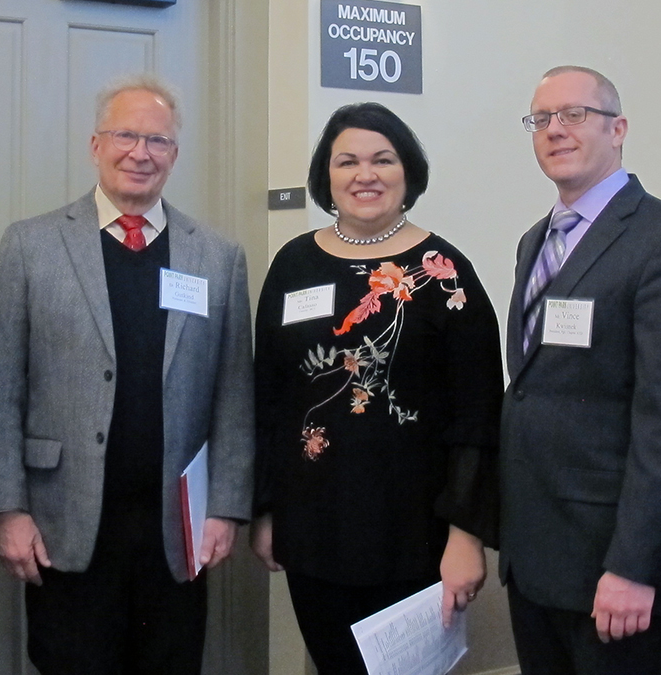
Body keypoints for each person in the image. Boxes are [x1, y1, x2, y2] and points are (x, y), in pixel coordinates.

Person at [0, 76, 254, 675]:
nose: (141, 152)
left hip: (177, 531)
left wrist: (226, 508)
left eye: (158, 140)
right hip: (63, 522)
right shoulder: (30, 246)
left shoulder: (218, 258)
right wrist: (7, 510)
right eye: (126, 135)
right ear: (95, 144)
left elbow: (234, 395)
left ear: (174, 155)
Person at [250, 102, 503, 674]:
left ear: (407, 171)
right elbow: (267, 396)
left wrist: (466, 535)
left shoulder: (445, 271)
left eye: (382, 159)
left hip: (417, 536)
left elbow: (479, 411)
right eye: (348, 161)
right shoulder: (292, 265)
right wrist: (265, 510)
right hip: (313, 527)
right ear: (327, 176)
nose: (366, 174)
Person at [500, 65, 661, 674]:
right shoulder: (535, 242)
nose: (555, 130)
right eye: (541, 119)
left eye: (574, 115)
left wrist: (633, 565)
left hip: (616, 569)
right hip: (539, 560)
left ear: (618, 128)